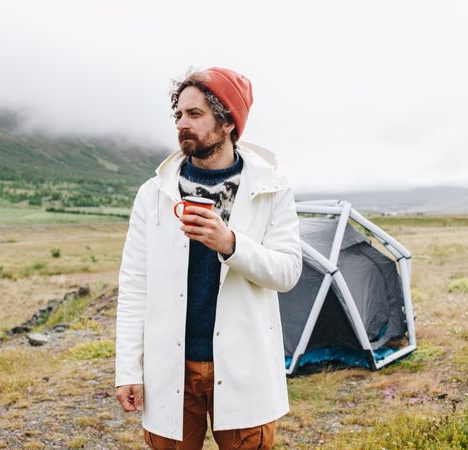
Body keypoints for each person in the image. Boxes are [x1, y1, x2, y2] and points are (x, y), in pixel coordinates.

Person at [115, 66, 302, 450]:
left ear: (228, 122)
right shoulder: (153, 194)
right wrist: (127, 369)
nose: (182, 123)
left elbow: (288, 272)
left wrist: (230, 243)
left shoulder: (271, 188)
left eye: (195, 114)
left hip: (242, 365)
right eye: (178, 115)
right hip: (172, 368)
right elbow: (135, 286)